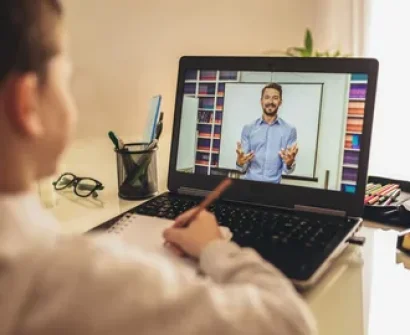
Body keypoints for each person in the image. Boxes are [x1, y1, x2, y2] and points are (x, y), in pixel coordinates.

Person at [0, 1, 317, 334]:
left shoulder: (290, 130)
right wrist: (214, 247)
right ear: (27, 104)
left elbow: (288, 166)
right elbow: (289, 322)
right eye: (65, 80)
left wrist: (290, 161)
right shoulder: (83, 280)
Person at [236, 83, 299, 183]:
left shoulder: (289, 130)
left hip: (273, 189)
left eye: (275, 98)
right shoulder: (248, 128)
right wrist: (240, 162)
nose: (270, 101)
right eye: (267, 97)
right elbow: (242, 168)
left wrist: (289, 163)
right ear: (261, 101)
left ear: (280, 102)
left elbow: (288, 170)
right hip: (249, 185)